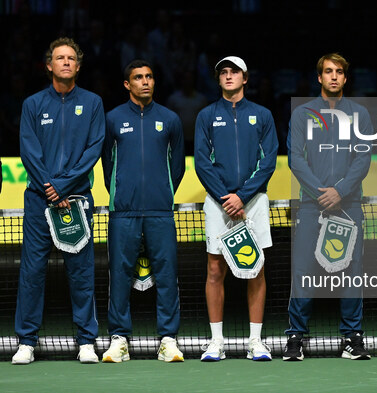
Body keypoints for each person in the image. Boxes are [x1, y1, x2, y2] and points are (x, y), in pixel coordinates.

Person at [13, 37, 105, 364]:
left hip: (76, 199)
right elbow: (29, 152)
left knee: (81, 271)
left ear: (78, 66)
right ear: (49, 65)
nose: (65, 62)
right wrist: (50, 186)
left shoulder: (93, 103)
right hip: (39, 200)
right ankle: (26, 341)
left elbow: (93, 149)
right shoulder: (33, 105)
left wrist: (64, 186)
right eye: (59, 58)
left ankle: (86, 342)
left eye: (71, 58)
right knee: (33, 271)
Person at [283, 53, 372, 361]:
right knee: (304, 271)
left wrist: (341, 191)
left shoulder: (360, 114)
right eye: (328, 72)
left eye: (339, 72)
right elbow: (296, 157)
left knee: (351, 272)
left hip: (349, 206)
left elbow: (363, 158)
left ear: (345, 79)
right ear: (319, 77)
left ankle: (352, 337)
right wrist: (321, 193)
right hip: (312, 205)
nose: (334, 77)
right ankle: (295, 336)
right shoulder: (303, 113)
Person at [194, 56, 278, 361]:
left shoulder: (263, 115)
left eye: (234, 72)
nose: (228, 76)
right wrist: (225, 197)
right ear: (218, 80)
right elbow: (202, 162)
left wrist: (242, 197)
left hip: (254, 202)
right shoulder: (206, 116)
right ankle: (216, 342)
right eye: (223, 73)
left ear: (245, 77)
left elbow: (268, 161)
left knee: (256, 268)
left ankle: (255, 341)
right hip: (218, 204)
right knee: (215, 268)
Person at [101, 59, 185, 363]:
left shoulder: (171, 119)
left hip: (161, 211)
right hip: (122, 211)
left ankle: (168, 340)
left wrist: (161, 192)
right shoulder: (111, 119)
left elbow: (177, 167)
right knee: (120, 275)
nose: (145, 81)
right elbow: (108, 165)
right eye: (138, 77)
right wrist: (122, 193)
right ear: (127, 84)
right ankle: (119, 339)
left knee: (167, 274)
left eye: (149, 76)